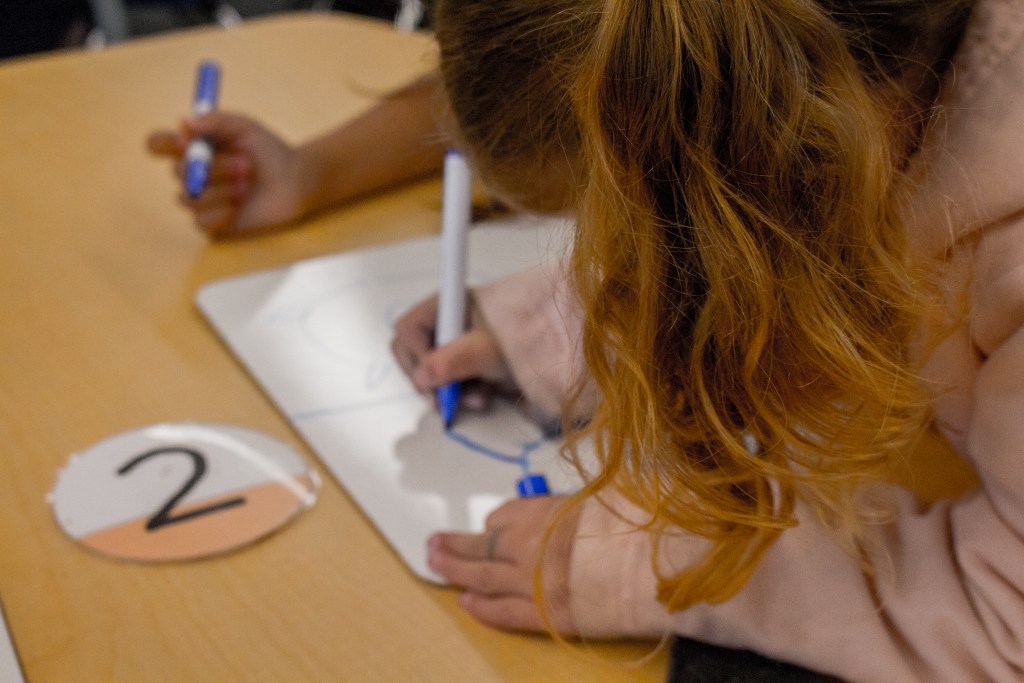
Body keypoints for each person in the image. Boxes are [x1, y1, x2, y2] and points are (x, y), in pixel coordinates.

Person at [390, 0, 1024, 680]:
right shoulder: (887, 94)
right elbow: (770, 261)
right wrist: (545, 328)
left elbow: (1007, 626)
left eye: (632, 234)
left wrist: (648, 563)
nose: (621, 262)